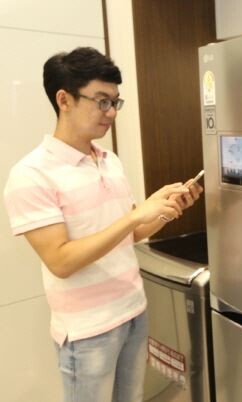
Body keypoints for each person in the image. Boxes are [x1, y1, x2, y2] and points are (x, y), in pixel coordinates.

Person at [3, 47, 202, 402]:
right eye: (101, 101)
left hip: (134, 311)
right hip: (87, 331)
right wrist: (134, 216)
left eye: (115, 102)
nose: (111, 112)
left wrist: (165, 210)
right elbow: (61, 261)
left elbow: (132, 233)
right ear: (64, 99)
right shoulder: (31, 175)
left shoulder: (110, 161)